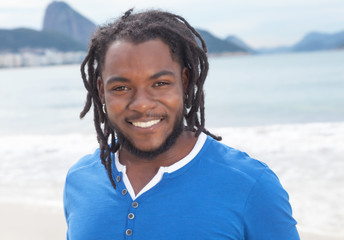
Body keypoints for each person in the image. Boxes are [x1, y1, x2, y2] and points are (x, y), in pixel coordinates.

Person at [63, 9, 300, 240]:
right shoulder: (80, 180)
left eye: (160, 83)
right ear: (101, 91)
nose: (142, 105)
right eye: (121, 88)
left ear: (185, 83)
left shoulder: (250, 184)